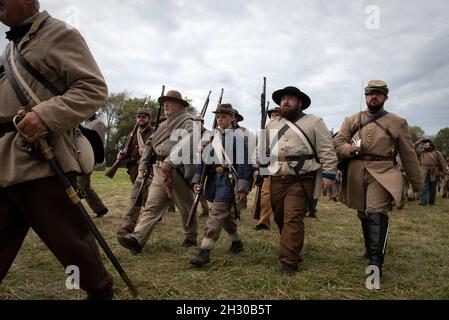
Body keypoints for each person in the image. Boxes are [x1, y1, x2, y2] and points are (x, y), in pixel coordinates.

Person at [0, 0, 113, 299]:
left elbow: (93, 88)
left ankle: (101, 293)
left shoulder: (59, 33)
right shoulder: (12, 47)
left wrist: (45, 116)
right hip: (4, 163)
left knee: (72, 246)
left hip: (42, 160)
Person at [334, 80, 423, 275]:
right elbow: (338, 144)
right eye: (370, 93)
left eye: (378, 93)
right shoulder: (351, 120)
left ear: (385, 97)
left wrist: (417, 183)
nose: (373, 96)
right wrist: (351, 149)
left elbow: (408, 154)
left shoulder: (397, 122)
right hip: (357, 172)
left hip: (383, 172)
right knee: (363, 213)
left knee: (376, 212)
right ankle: (369, 250)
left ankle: (375, 263)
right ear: (365, 96)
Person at [264, 86, 338, 275]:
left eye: (290, 99)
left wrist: (329, 173)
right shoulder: (272, 124)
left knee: (293, 217)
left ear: (300, 103)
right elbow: (262, 148)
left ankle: (289, 261)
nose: (285, 102)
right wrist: (259, 167)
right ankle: (291, 244)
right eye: (282, 99)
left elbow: (326, 148)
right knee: (280, 217)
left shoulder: (314, 122)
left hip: (302, 176)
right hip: (277, 176)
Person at [118, 90, 198, 255]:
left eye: (169, 102)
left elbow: (191, 140)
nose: (165, 105)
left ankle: (191, 236)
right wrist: (145, 163)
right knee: (151, 207)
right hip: (158, 169)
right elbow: (149, 142)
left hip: (178, 171)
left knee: (186, 208)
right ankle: (137, 239)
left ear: (179, 105)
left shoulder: (187, 121)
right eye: (164, 103)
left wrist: (171, 161)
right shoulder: (163, 125)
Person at [190, 104, 253, 267]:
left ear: (233, 118)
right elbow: (202, 162)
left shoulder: (239, 138)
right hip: (214, 182)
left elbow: (245, 164)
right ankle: (237, 242)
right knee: (225, 217)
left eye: (224, 116)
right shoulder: (212, 138)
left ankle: (205, 251)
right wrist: (197, 180)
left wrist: (242, 187)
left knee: (216, 214)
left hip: (229, 182)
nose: (220, 119)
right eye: (218, 116)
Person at [116, 107, 154, 240]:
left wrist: (149, 153)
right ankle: (155, 214)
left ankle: (126, 228)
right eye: (138, 116)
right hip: (134, 170)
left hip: (150, 171)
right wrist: (121, 155)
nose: (140, 119)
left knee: (136, 198)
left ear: (149, 119)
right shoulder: (132, 135)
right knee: (145, 198)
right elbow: (126, 151)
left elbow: (162, 152)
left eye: (144, 116)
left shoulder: (155, 133)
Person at [77, 113, 109, 218]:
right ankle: (100, 209)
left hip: (90, 159)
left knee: (77, 187)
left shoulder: (98, 123)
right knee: (86, 187)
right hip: (82, 158)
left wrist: (93, 161)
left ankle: (73, 214)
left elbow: (99, 143)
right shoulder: (85, 122)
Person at [255, 107, 280, 230]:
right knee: (265, 194)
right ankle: (263, 221)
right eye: (272, 115)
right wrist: (257, 164)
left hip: (283, 166)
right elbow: (258, 149)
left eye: (277, 115)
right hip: (267, 166)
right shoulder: (265, 131)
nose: (274, 117)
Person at [414, 139, 447, 205]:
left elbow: (443, 162)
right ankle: (423, 201)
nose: (424, 147)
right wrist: (418, 142)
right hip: (423, 171)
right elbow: (413, 148)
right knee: (424, 186)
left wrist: (444, 172)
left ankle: (432, 201)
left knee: (433, 187)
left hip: (434, 171)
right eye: (424, 145)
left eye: (426, 145)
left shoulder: (437, 153)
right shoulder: (422, 152)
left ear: (431, 146)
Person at [194, 115, 210, 217]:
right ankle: (204, 208)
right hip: (194, 163)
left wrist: (201, 144)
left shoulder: (207, 133)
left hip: (205, 163)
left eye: (198, 122)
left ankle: (205, 208)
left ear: (202, 123)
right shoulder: (191, 134)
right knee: (196, 186)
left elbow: (205, 143)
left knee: (200, 187)